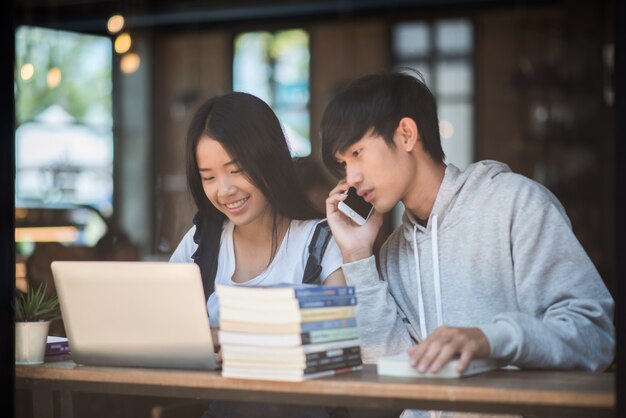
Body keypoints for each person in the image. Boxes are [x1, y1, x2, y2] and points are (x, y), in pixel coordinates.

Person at [321, 71, 615, 415]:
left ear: (406, 134)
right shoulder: (392, 252)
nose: (351, 178)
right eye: (343, 163)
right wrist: (356, 256)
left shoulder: (516, 203)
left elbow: (594, 335)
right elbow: (389, 369)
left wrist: (489, 340)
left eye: (357, 152)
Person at [170, 92, 346, 418]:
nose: (224, 190)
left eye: (236, 170)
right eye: (208, 176)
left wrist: (230, 337)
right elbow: (163, 326)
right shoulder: (200, 242)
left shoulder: (321, 241)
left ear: (268, 159)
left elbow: (346, 342)